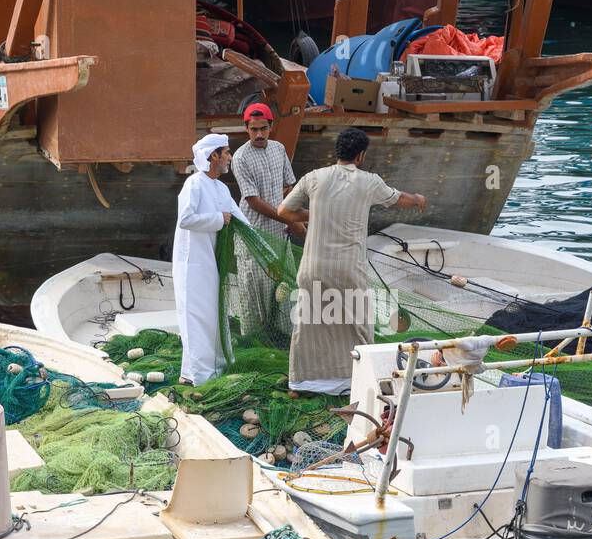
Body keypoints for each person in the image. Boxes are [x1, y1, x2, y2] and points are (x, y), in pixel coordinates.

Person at [276, 127, 427, 394]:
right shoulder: (369, 181)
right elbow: (399, 199)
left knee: (309, 322)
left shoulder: (314, 177)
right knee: (357, 324)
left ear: (338, 152)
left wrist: (314, 215)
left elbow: (284, 210)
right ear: (360, 156)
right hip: (348, 268)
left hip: (313, 267)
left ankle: (300, 383)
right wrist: (417, 199)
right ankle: (356, 381)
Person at [173, 133, 248, 386]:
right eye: (226, 152)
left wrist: (266, 250)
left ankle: (191, 372)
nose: (229, 157)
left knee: (211, 315)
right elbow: (185, 219)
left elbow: (240, 219)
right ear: (213, 155)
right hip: (191, 263)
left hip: (210, 262)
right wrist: (218, 220)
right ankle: (202, 376)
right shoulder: (193, 184)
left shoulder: (221, 188)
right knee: (195, 316)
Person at [230, 101, 298, 342]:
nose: (259, 134)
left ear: (271, 126)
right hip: (254, 237)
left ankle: (283, 338)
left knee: (283, 290)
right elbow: (253, 200)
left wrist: (290, 216)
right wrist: (289, 217)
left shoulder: (278, 149)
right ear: (246, 129)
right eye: (253, 129)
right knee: (254, 293)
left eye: (263, 129)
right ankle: (255, 342)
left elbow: (289, 186)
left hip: (279, 234)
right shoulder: (240, 157)